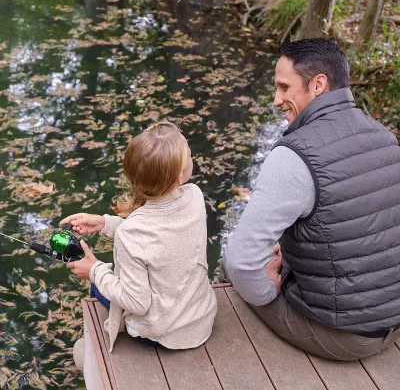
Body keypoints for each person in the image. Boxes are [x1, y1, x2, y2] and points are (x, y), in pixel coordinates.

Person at [225, 38, 400, 360]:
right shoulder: (385, 138)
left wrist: (267, 289)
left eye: (283, 87)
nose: (276, 100)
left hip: (345, 337)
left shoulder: (295, 156)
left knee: (233, 268)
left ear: (318, 84)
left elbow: (240, 261)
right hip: (392, 319)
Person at [61, 122, 217, 361]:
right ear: (179, 176)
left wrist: (95, 271)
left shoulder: (133, 233)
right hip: (201, 319)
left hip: (163, 333)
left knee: (98, 284)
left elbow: (136, 302)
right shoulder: (194, 197)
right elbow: (162, 238)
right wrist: (106, 224)